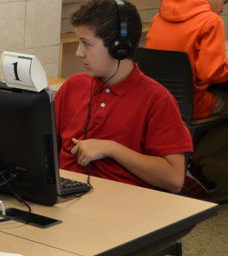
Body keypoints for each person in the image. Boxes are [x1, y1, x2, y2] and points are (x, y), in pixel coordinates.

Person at [55, 0, 193, 193]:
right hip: (64, 192)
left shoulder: (156, 99)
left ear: (119, 47)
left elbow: (174, 179)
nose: (79, 53)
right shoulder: (73, 86)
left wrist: (112, 149)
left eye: (86, 44)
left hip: (119, 201)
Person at [145, 0, 228, 193]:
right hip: (192, 104)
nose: (223, 8)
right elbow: (211, 73)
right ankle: (191, 161)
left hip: (158, 102)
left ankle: (181, 157)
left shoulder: (159, 17)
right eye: (223, 2)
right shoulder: (210, 20)